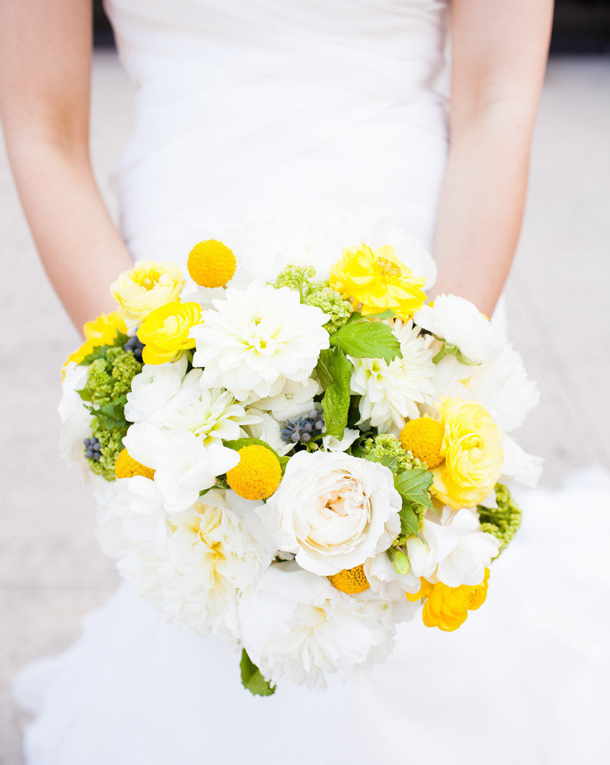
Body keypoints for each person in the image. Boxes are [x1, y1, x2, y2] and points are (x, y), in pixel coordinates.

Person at [3, 2, 608, 764]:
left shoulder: (438, 310)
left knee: (415, 598)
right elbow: (41, 131)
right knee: (212, 581)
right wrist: (151, 374)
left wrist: (444, 353)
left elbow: (498, 100)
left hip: (419, 251)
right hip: (186, 253)